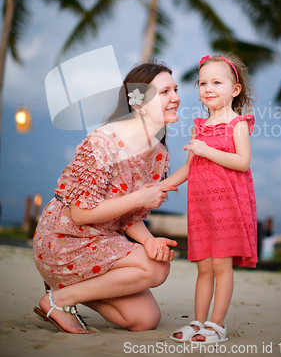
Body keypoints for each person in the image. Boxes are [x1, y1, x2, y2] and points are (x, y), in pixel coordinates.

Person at [33, 61, 180, 334]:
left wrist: (149, 241)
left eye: (175, 89)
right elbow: (80, 214)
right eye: (165, 92)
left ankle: (67, 291)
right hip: (67, 239)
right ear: (138, 103)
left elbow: (128, 218)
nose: (176, 98)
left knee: (144, 319)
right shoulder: (103, 143)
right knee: (156, 269)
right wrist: (140, 198)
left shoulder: (159, 155)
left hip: (103, 244)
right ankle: (58, 299)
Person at [165, 53, 257, 345]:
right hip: (201, 207)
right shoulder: (199, 126)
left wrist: (206, 151)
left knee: (221, 266)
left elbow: (242, 162)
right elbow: (189, 167)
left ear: (235, 89)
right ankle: (199, 321)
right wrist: (162, 186)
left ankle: (216, 325)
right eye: (203, 82)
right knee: (203, 267)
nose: (208, 88)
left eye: (217, 82)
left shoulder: (237, 124)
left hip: (229, 206)